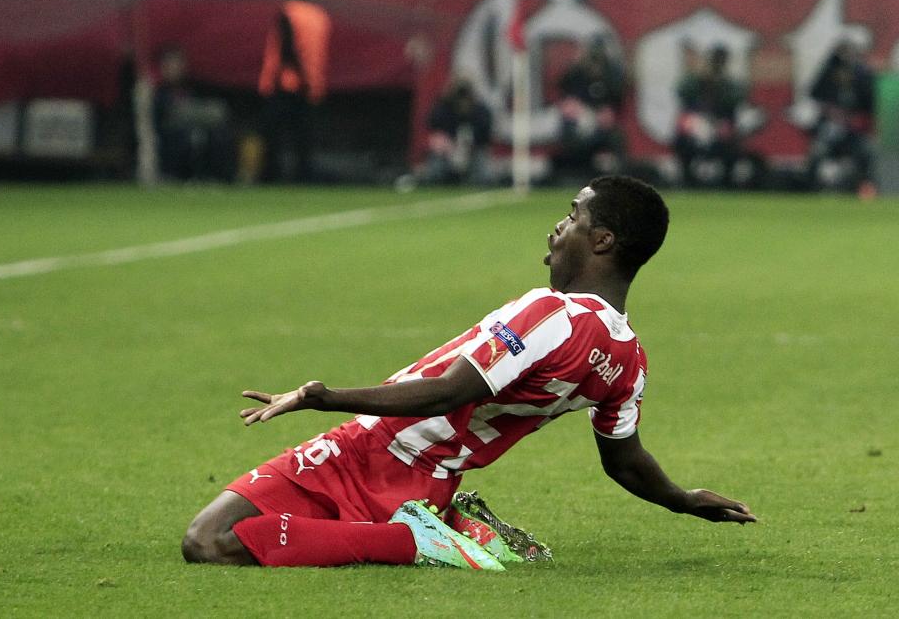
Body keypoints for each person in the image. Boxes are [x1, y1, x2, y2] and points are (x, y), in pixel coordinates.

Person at [182, 176, 756, 570]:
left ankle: (419, 542)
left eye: (572, 216)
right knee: (227, 539)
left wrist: (320, 396)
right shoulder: (628, 360)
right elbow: (623, 460)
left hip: (373, 449)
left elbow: (451, 392)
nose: (557, 228)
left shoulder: (552, 314)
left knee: (208, 541)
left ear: (602, 240)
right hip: (428, 480)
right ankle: (435, 526)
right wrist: (682, 499)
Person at [258, 0, 331, 182]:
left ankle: (272, 176)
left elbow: (287, 50)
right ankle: (304, 176)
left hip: (287, 82)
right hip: (313, 84)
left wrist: (272, 81)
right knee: (304, 136)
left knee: (273, 133)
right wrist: (312, 81)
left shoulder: (288, 13)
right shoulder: (320, 16)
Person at [152, 46, 234, 182]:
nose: (175, 68)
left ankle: (214, 177)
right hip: (172, 138)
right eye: (171, 64)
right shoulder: (159, 94)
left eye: (178, 63)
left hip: (201, 131)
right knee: (184, 140)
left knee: (217, 136)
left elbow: (217, 112)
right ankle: (176, 176)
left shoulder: (196, 88)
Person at [673, 44, 747, 187]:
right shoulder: (694, 81)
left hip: (720, 124)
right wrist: (700, 77)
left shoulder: (729, 83)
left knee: (732, 145)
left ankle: (727, 182)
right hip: (696, 123)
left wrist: (720, 83)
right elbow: (682, 93)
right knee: (683, 141)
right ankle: (687, 180)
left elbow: (735, 100)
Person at [807, 41, 876, 193]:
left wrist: (852, 117)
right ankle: (812, 189)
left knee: (865, 153)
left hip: (853, 129)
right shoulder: (828, 72)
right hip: (829, 127)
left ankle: (864, 187)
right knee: (819, 153)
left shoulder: (861, 76)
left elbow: (869, 104)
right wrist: (831, 111)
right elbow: (814, 94)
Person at [555, 36, 626, 176]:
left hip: (602, 120)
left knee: (616, 138)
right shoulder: (576, 72)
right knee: (571, 134)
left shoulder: (611, 74)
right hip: (580, 115)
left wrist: (608, 112)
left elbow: (617, 99)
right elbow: (564, 92)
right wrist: (572, 105)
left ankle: (617, 174)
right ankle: (574, 173)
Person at [421, 78, 495, 185]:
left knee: (484, 175)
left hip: (474, 151)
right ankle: (441, 180)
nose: (463, 101)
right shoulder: (443, 109)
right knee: (435, 168)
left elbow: (486, 136)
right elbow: (433, 125)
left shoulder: (480, 112)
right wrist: (450, 145)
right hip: (448, 152)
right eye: (460, 97)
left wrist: (469, 146)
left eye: (465, 97)